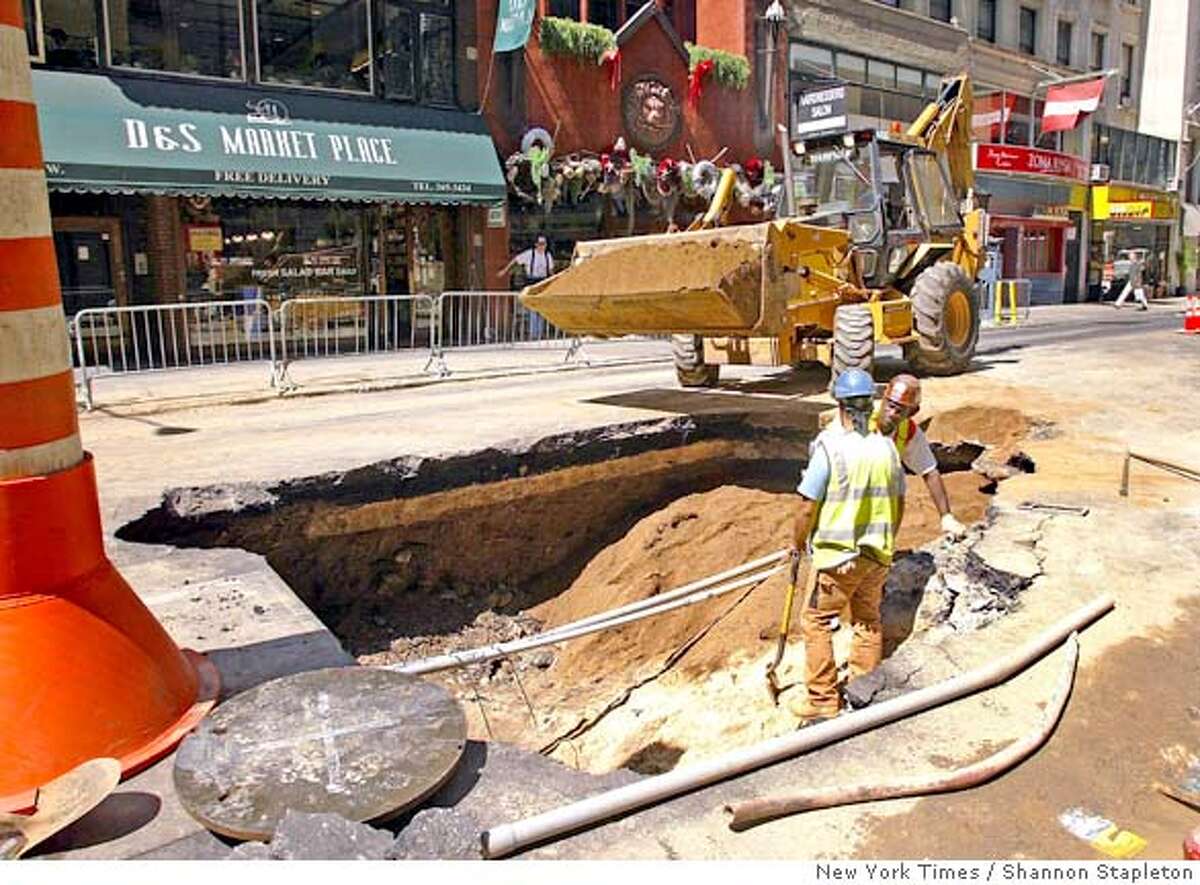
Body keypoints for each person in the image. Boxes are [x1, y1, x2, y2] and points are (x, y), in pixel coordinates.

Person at [790, 368, 906, 726]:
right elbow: (900, 502)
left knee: (816, 621)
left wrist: (796, 545)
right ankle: (864, 689)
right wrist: (886, 544)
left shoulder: (830, 447)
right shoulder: (885, 447)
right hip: (878, 554)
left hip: (839, 557)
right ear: (870, 402)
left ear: (839, 403)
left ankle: (823, 699)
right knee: (868, 619)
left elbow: (807, 506)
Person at [871, 374, 968, 539]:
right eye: (889, 405)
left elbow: (930, 472)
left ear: (912, 412)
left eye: (899, 410)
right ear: (883, 399)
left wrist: (946, 516)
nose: (891, 413)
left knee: (896, 482)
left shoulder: (908, 432)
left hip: (879, 500)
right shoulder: (859, 420)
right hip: (848, 494)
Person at [498, 234, 555, 339]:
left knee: (541, 308)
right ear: (536, 244)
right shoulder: (529, 254)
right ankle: (534, 333)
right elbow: (516, 260)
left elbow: (551, 271)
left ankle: (540, 332)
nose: (542, 246)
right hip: (531, 281)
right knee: (533, 308)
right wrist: (505, 271)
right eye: (540, 244)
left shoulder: (548, 256)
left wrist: (553, 282)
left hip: (543, 282)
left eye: (544, 244)